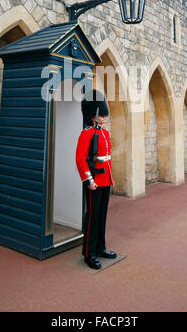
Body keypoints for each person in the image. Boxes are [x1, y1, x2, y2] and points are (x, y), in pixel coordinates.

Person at [75, 90, 117, 269]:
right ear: (93, 116)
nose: (104, 118)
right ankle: (88, 253)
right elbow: (80, 159)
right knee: (92, 217)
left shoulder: (104, 133)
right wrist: (89, 180)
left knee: (102, 216)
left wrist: (109, 179)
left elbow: (106, 157)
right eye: (101, 115)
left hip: (105, 180)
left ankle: (101, 247)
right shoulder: (87, 133)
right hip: (94, 181)